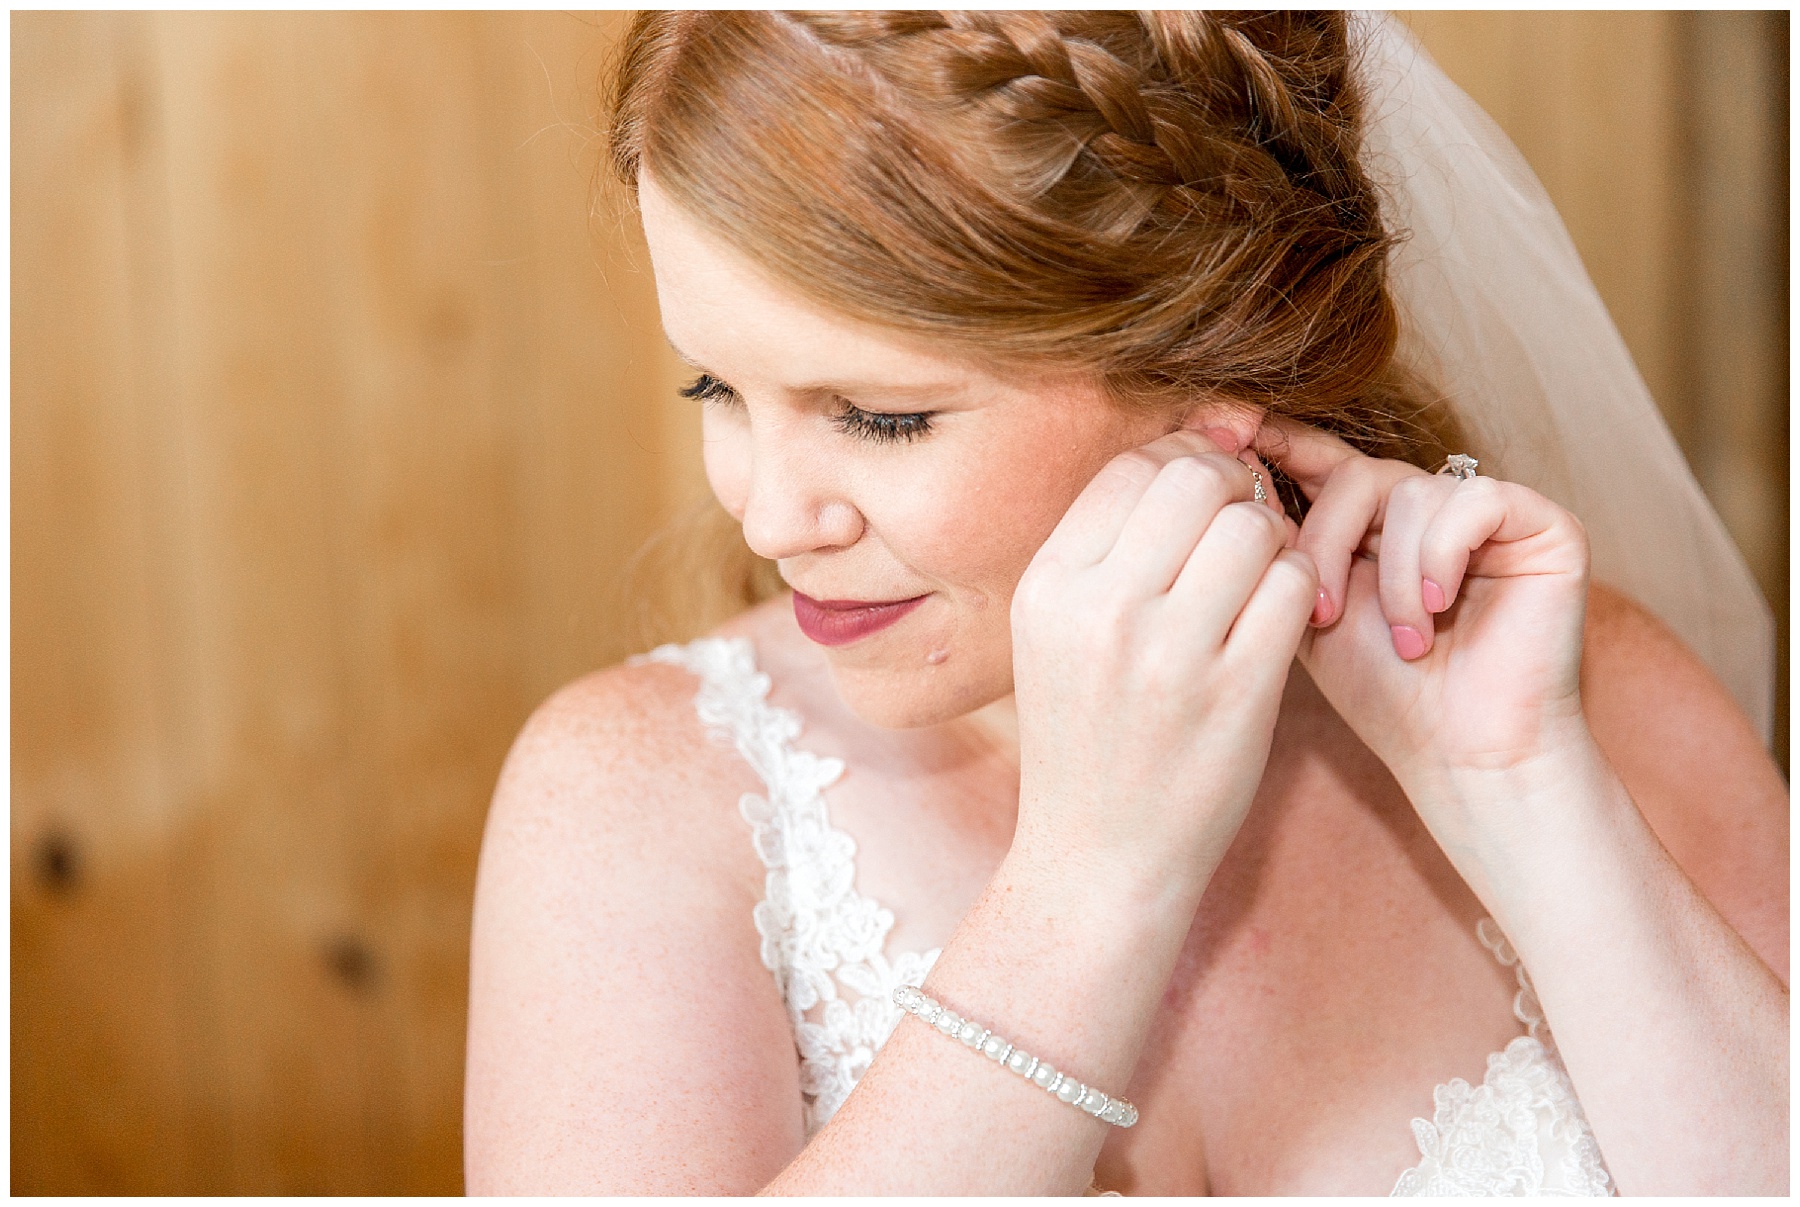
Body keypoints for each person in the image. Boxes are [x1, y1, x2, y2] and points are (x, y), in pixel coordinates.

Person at [462, 12, 1788, 1195]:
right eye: (715, 387)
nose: (767, 517)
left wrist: (1517, 787)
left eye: (879, 415)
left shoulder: (1577, 699)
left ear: (1213, 379)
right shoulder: (635, 802)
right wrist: (1088, 884)